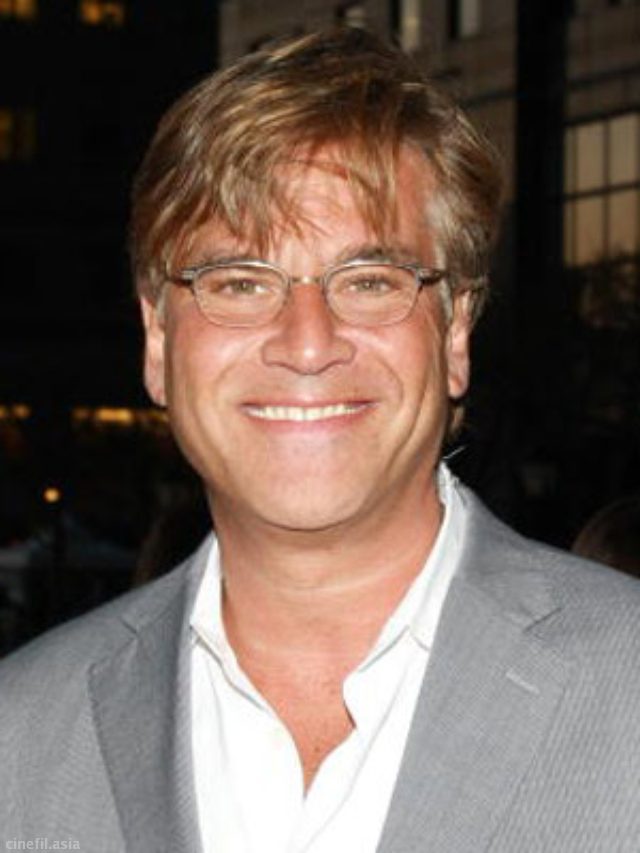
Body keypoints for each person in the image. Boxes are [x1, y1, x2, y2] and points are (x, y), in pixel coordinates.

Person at [2, 28, 640, 852]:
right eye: (240, 282)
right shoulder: (22, 733)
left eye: (370, 280)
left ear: (455, 334)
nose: (307, 342)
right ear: (157, 341)